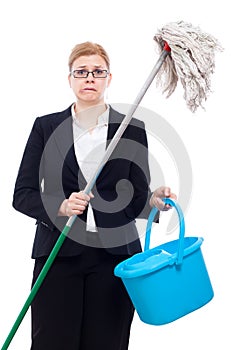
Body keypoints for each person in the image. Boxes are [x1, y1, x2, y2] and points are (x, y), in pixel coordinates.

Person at [13, 41, 176, 350]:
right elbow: (22, 194)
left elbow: (137, 197)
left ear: (108, 78)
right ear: (70, 78)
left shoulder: (131, 129)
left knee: (107, 343)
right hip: (58, 256)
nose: (90, 78)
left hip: (114, 258)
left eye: (97, 71)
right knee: (52, 343)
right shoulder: (45, 127)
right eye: (82, 72)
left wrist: (154, 201)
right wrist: (59, 206)